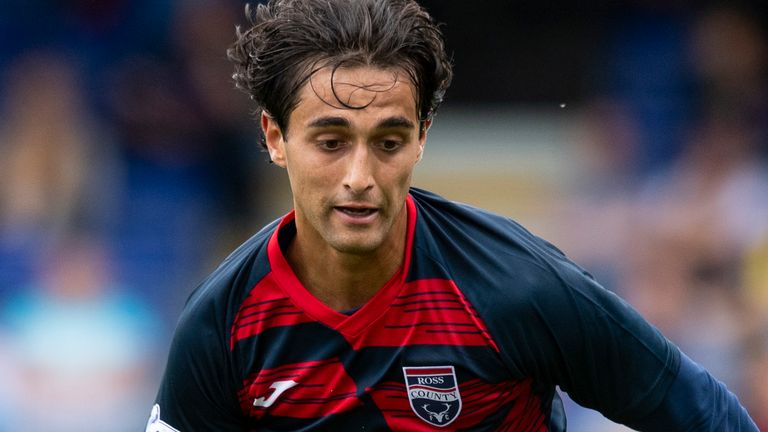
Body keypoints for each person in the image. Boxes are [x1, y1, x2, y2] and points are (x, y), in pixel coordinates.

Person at [148, 0, 758, 430]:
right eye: (331, 141)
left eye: (388, 142)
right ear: (275, 138)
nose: (360, 176)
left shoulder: (520, 286)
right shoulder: (220, 324)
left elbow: (703, 414)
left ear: (421, 138)